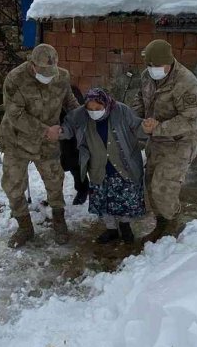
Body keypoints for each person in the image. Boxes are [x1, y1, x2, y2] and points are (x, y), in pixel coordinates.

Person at [0, 43, 79, 248]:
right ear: (32, 65)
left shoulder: (62, 77)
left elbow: (70, 103)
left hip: (47, 143)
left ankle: (59, 222)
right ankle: (25, 227)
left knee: (55, 181)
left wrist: (83, 120)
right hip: (16, 140)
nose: (48, 76)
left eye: (51, 72)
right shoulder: (15, 79)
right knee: (13, 185)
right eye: (43, 72)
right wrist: (45, 130)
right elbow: (15, 115)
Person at [133, 39, 197, 242]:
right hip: (156, 142)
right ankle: (162, 223)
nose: (151, 69)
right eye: (149, 65)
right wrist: (137, 119)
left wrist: (158, 128)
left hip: (179, 143)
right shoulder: (147, 76)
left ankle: (173, 224)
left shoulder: (187, 84)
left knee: (163, 188)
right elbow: (140, 98)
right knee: (150, 185)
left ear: (169, 62)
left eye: (156, 65)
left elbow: (188, 120)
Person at [60, 88, 149, 245]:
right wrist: (60, 131)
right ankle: (111, 229)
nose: (93, 112)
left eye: (98, 108)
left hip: (123, 165)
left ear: (106, 104)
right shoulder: (80, 114)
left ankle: (125, 226)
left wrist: (146, 128)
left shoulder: (121, 111)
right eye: (90, 108)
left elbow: (137, 127)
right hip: (98, 168)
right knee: (104, 200)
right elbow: (68, 127)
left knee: (124, 198)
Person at [59, 85, 89, 205]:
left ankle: (82, 189)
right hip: (51, 130)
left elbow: (77, 109)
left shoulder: (69, 89)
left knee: (75, 163)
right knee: (53, 166)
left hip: (70, 129)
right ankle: (55, 195)